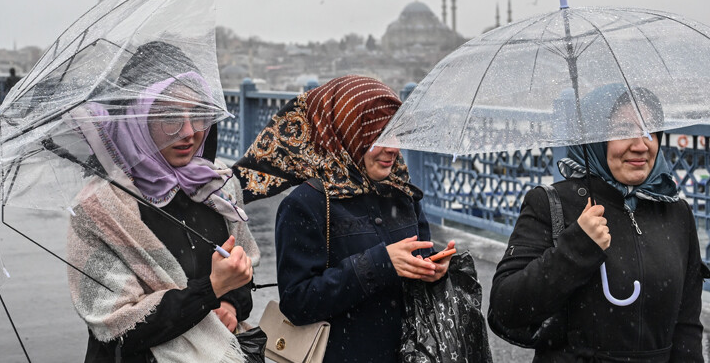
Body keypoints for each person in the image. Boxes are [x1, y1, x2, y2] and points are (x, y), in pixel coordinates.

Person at [234, 75, 455, 363]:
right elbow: (297, 302)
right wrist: (381, 263)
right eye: (378, 136)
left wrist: (434, 270)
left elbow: (418, 259)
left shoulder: (401, 193)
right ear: (346, 132)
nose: (393, 148)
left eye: (396, 133)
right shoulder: (307, 204)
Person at [67, 42, 258, 363]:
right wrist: (210, 290)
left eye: (198, 114)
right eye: (169, 116)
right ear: (135, 118)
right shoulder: (100, 208)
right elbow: (118, 329)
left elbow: (241, 273)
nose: (189, 132)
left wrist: (231, 304)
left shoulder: (217, 187)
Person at [488, 85, 709, 362]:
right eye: (623, 131)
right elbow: (506, 308)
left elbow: (686, 326)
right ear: (594, 138)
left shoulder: (676, 212)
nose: (641, 145)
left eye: (650, 130)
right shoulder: (551, 203)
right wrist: (576, 247)